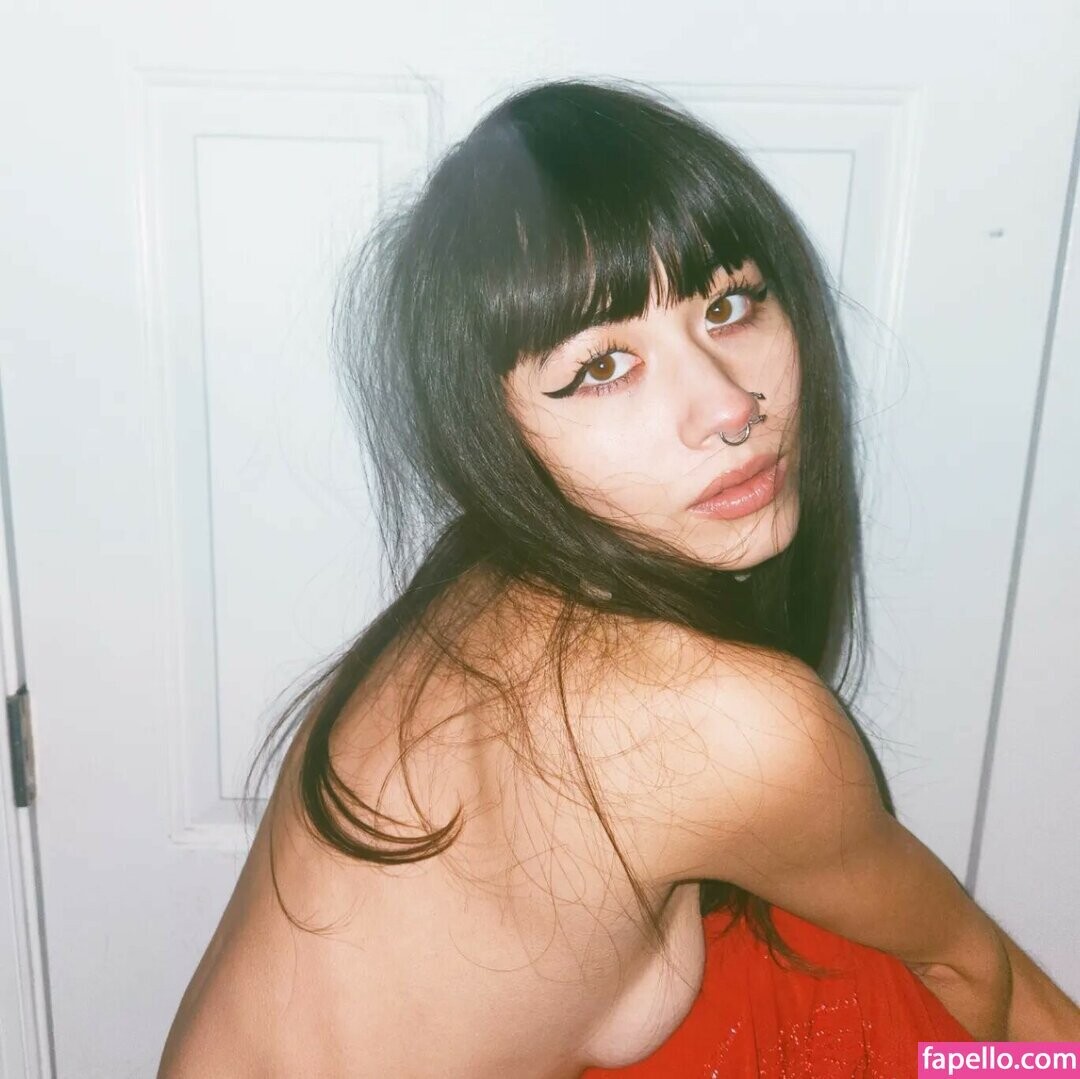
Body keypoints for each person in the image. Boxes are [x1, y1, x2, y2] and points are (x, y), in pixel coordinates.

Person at [158, 77, 1079, 1078]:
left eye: (728, 305)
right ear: (491, 433)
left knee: (805, 951)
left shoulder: (478, 586)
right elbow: (970, 974)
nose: (729, 406)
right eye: (602, 367)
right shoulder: (734, 726)